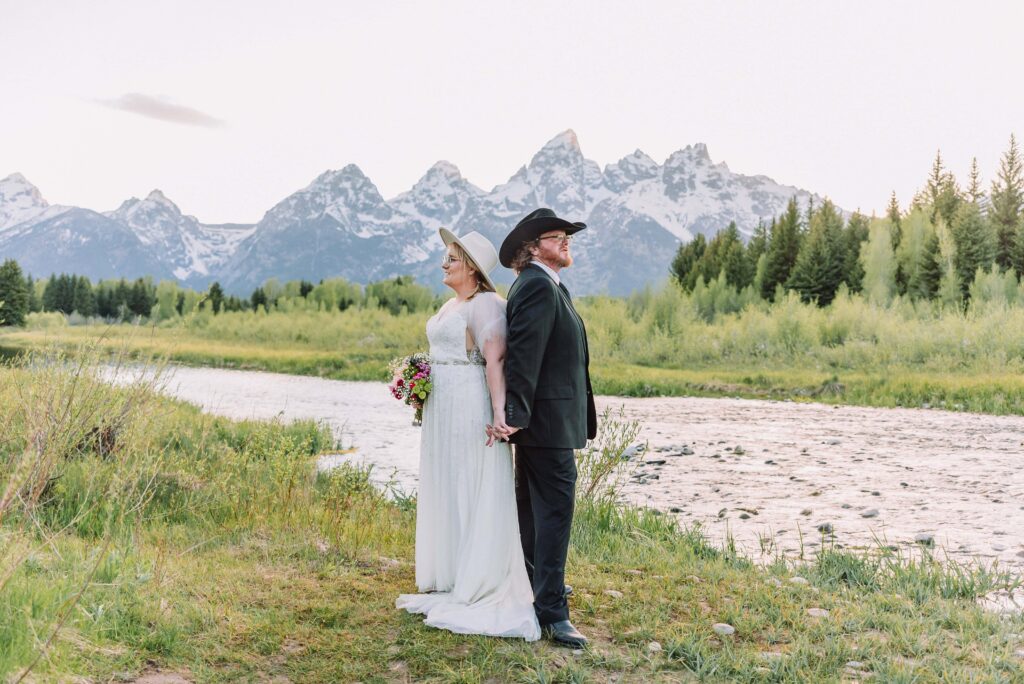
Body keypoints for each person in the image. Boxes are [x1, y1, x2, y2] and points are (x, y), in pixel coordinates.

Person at [396, 229, 540, 641]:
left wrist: (500, 415)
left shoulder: (488, 305)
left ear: (473, 269)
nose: (444, 265)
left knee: (469, 480)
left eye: (452, 260)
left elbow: (494, 362)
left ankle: (479, 575)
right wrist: (418, 384)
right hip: (442, 406)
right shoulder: (449, 304)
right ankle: (453, 571)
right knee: (446, 480)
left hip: (468, 405)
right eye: (445, 259)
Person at [489, 208, 597, 648]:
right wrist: (513, 415)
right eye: (556, 236)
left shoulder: (550, 284)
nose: (566, 241)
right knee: (553, 512)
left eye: (567, 236)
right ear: (533, 248)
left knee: (534, 511)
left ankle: (537, 589)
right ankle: (551, 611)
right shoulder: (536, 286)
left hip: (544, 422)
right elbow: (525, 355)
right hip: (543, 424)